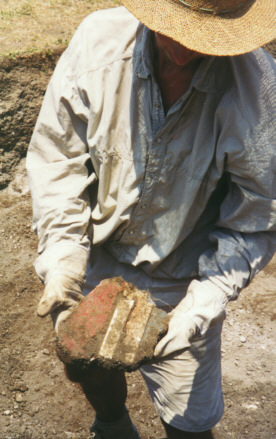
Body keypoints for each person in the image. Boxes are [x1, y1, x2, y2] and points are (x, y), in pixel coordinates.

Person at [26, 0, 276, 438]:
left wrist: (206, 300)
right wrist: (64, 254)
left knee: (190, 420)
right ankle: (113, 424)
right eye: (173, 32)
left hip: (185, 273)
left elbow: (258, 216)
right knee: (84, 359)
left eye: (200, 40)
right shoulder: (97, 45)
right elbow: (58, 158)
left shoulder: (259, 92)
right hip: (94, 250)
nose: (180, 51)